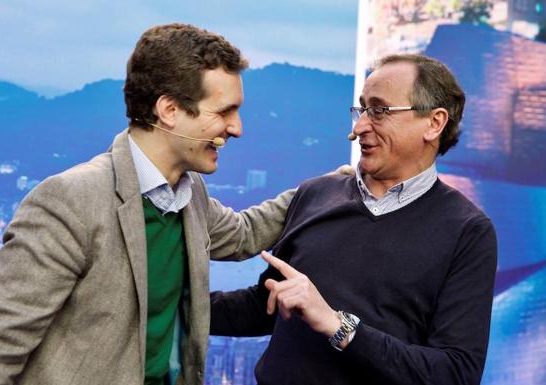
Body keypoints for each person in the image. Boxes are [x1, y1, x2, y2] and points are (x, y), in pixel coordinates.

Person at [0, 23, 296, 385]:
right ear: (170, 110)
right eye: (224, 112)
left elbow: (245, 233)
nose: (236, 128)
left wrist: (336, 185)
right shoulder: (70, 201)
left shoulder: (190, 197)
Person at [210, 54, 498, 385]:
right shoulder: (316, 193)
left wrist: (339, 326)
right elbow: (267, 304)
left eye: (379, 111)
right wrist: (165, 304)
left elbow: (455, 373)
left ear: (434, 123)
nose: (359, 126)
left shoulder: (468, 232)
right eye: (361, 110)